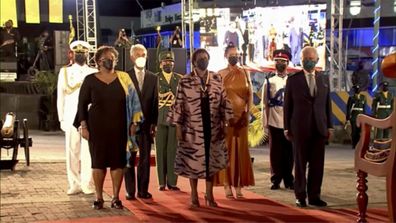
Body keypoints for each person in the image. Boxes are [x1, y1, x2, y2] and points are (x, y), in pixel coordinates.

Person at [74, 46, 142, 210]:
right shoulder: (90, 80)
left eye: (112, 57)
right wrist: (83, 126)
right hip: (97, 128)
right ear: (98, 61)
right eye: (106, 57)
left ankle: (116, 198)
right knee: (98, 163)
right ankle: (99, 197)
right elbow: (82, 105)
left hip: (120, 127)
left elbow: (135, 102)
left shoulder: (124, 77)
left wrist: (134, 123)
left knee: (117, 163)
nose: (110, 60)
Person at [168, 48, 233, 208]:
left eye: (206, 58)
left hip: (213, 126)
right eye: (200, 58)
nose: (203, 60)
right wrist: (178, 126)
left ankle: (209, 195)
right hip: (192, 128)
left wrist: (226, 122)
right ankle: (194, 194)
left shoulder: (217, 78)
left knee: (211, 162)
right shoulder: (186, 80)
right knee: (193, 162)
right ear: (194, 61)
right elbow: (179, 104)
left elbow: (224, 100)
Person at [284, 46, 332, 208]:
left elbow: (327, 104)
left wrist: (330, 126)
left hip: (319, 127)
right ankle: (300, 196)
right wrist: (286, 127)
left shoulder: (323, 79)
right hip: (299, 128)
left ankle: (314, 196)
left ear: (317, 60)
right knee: (300, 164)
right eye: (306, 59)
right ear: (301, 60)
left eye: (312, 59)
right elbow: (287, 106)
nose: (310, 62)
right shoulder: (293, 80)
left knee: (317, 165)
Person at [57, 40, 97, 195]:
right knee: (72, 150)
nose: (81, 55)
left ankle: (87, 183)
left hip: (89, 116)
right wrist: (61, 118)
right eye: (78, 53)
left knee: (88, 152)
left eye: (84, 53)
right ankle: (74, 183)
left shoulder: (93, 71)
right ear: (72, 54)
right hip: (70, 116)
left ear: (88, 54)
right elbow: (60, 96)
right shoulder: (64, 72)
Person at [215, 44, 254, 198]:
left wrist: (247, 113)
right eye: (232, 54)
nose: (235, 57)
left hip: (242, 119)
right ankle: (226, 184)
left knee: (241, 152)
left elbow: (250, 94)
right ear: (226, 56)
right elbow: (217, 97)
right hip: (227, 119)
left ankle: (239, 185)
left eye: (237, 54)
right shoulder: (220, 74)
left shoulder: (245, 72)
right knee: (227, 151)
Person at [124, 44, 158, 200]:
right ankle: (130, 191)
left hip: (146, 126)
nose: (141, 57)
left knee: (144, 160)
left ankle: (143, 190)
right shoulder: (124, 76)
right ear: (132, 57)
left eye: (143, 54)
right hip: (129, 126)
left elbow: (155, 102)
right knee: (129, 159)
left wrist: (154, 123)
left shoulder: (153, 77)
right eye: (137, 54)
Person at [262, 49, 294, 190]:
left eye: (283, 61)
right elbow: (265, 104)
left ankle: (289, 180)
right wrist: (265, 123)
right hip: (274, 121)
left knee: (289, 153)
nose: (280, 63)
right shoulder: (269, 81)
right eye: (278, 61)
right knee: (275, 153)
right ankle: (275, 179)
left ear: (287, 63)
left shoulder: (292, 80)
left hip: (289, 122)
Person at [155, 50, 183, 191]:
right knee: (160, 150)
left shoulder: (179, 79)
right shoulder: (155, 79)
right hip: (160, 118)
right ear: (160, 64)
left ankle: (172, 182)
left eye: (170, 62)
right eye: (165, 62)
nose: (168, 64)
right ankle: (161, 182)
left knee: (173, 150)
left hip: (175, 119)